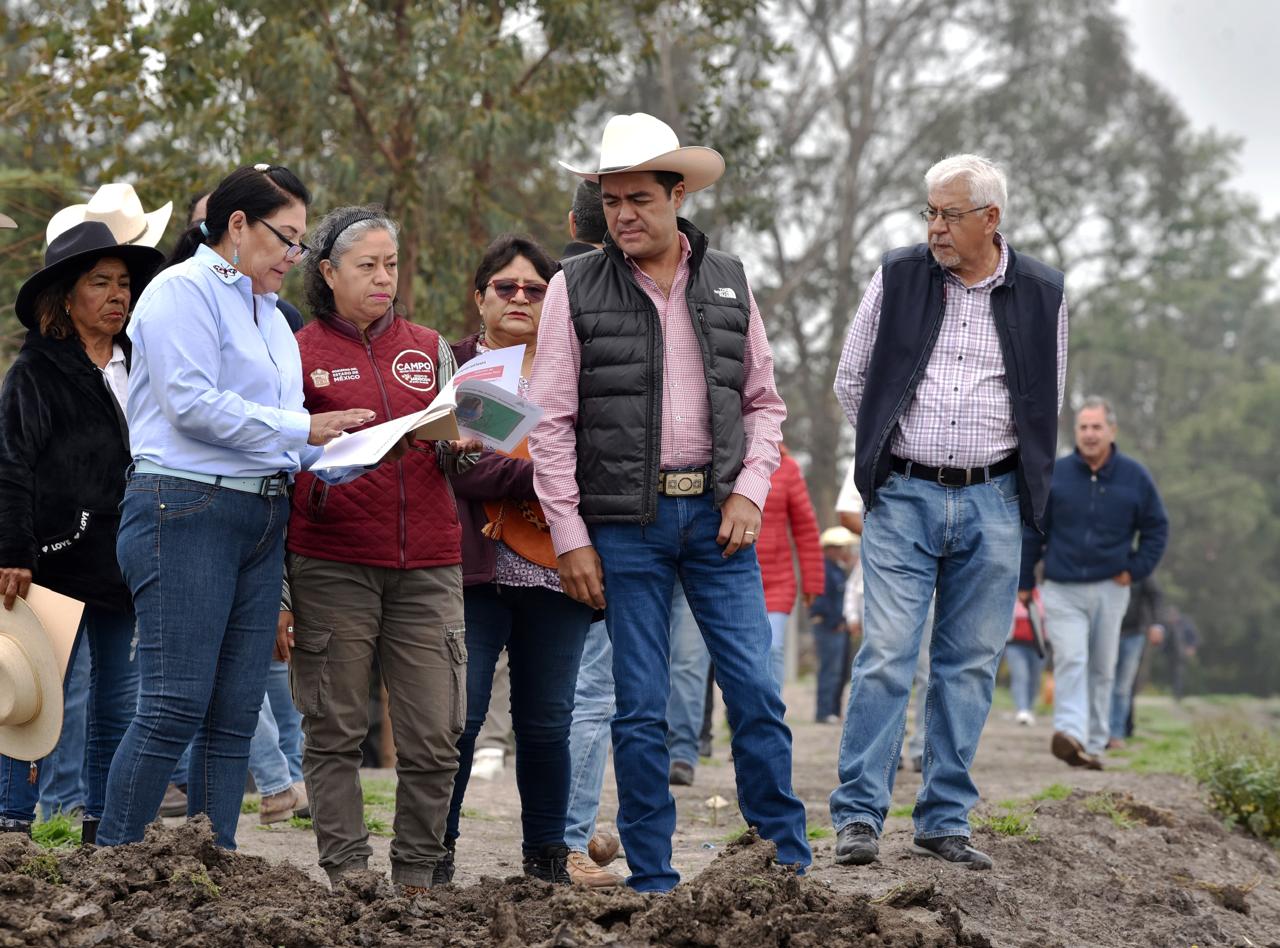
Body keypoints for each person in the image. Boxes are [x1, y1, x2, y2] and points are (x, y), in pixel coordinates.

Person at [530, 112, 811, 892]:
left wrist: (752, 493)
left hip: (719, 523)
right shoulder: (572, 287)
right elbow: (549, 425)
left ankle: (781, 859)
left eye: (640, 199)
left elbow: (765, 403)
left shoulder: (730, 280)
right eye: (612, 200)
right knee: (640, 709)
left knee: (756, 692)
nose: (624, 214)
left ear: (676, 194)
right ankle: (653, 875)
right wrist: (570, 537)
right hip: (625, 528)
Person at [97, 165, 379, 851]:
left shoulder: (270, 316)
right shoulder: (178, 292)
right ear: (237, 227)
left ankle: (213, 862)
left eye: (301, 243)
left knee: (232, 713)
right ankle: (108, 861)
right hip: (185, 508)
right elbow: (192, 407)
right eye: (287, 239)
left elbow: (279, 428)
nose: (296, 256)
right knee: (172, 705)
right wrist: (304, 431)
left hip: (259, 514)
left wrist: (347, 452)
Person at [831, 153, 1068, 871]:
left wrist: (1018, 490)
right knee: (886, 658)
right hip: (904, 495)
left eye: (948, 214)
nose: (934, 227)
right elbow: (852, 377)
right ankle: (859, 818)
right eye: (929, 212)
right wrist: (885, 450)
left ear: (990, 220)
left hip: (995, 501)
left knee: (968, 666)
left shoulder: (1044, 292)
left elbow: (1044, 403)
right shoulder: (898, 276)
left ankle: (943, 819)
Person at [283, 205, 474, 891]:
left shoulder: (430, 346)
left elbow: (463, 458)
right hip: (330, 562)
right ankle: (349, 873)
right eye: (367, 265)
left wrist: (464, 446)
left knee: (435, 736)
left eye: (390, 264)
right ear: (328, 272)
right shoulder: (296, 351)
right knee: (332, 729)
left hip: (428, 565)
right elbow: (274, 461)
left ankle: (418, 876)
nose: (382, 278)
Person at [0, 222, 162, 841]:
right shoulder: (35, 371)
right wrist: (13, 551)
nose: (117, 295)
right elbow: (10, 466)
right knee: (36, 694)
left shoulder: (140, 365)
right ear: (66, 298)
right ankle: (14, 822)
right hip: (52, 558)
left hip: (124, 557)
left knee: (120, 700)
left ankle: (101, 826)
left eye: (124, 284)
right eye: (100, 283)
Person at [445, 234, 593, 886]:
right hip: (471, 573)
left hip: (555, 569)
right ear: (480, 297)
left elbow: (601, 461)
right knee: (460, 720)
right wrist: (548, 475)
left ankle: (546, 863)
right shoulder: (454, 364)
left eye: (536, 288)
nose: (521, 298)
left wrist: (542, 470)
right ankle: (433, 856)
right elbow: (466, 467)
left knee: (546, 725)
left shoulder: (577, 369)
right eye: (506, 286)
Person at [1020, 397, 1168, 770]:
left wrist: (1135, 569)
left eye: (1096, 427)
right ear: (1076, 432)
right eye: (1083, 427)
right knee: (1071, 658)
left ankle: (1097, 740)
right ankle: (1071, 733)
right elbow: (1034, 529)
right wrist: (1024, 579)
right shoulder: (1057, 473)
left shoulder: (1135, 477)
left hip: (1111, 587)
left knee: (1103, 667)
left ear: (1111, 431)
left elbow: (1156, 528)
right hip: (1061, 586)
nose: (1089, 434)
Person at [755, 443, 824, 689]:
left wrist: (812, 581)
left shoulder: (787, 467)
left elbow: (805, 529)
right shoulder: (724, 459)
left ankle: (768, 723)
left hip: (777, 580)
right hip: (726, 574)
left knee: (772, 647)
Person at [1109, 574, 1163, 746]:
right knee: (1103, 682)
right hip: (1106, 631)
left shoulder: (1138, 565)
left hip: (1134, 633)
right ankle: (1098, 731)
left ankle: (1116, 733)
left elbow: (1155, 596)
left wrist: (1156, 624)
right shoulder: (1103, 560)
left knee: (1122, 687)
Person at [809, 527, 856, 723]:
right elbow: (820, 602)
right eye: (837, 547)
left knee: (841, 671)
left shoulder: (838, 569)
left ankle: (835, 710)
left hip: (840, 628)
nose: (841, 551)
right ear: (828, 549)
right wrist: (834, 621)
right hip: (829, 628)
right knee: (830, 670)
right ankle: (824, 711)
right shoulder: (823, 570)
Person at [1005, 591, 1046, 725]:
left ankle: (1029, 707)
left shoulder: (1046, 592)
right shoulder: (1013, 590)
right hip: (1015, 644)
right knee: (1020, 676)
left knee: (1035, 678)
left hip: (1039, 645)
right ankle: (1022, 709)